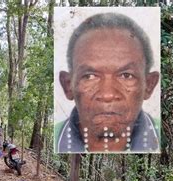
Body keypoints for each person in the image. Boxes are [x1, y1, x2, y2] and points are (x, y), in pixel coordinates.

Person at [55, 13, 160, 153]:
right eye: (90, 76)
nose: (108, 94)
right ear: (68, 85)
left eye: (126, 75)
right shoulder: (54, 138)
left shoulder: (162, 138)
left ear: (149, 85)